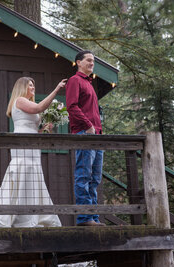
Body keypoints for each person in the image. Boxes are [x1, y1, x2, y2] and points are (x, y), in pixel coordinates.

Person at [0, 77, 66, 228]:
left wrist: (43, 128)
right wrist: (56, 90)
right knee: (21, 174)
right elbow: (38, 109)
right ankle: (13, 216)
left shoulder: (27, 102)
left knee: (32, 176)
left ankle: (33, 216)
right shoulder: (19, 100)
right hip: (23, 142)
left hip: (33, 142)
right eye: (30, 85)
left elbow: (33, 122)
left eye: (33, 85)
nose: (33, 88)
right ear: (22, 87)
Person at [65, 50, 105, 227]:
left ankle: (94, 217)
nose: (91, 63)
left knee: (95, 179)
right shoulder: (75, 80)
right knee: (83, 175)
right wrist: (88, 125)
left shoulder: (90, 84)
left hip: (97, 136)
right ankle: (85, 218)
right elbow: (72, 106)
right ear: (78, 63)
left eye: (93, 61)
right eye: (88, 60)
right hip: (84, 133)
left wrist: (98, 130)